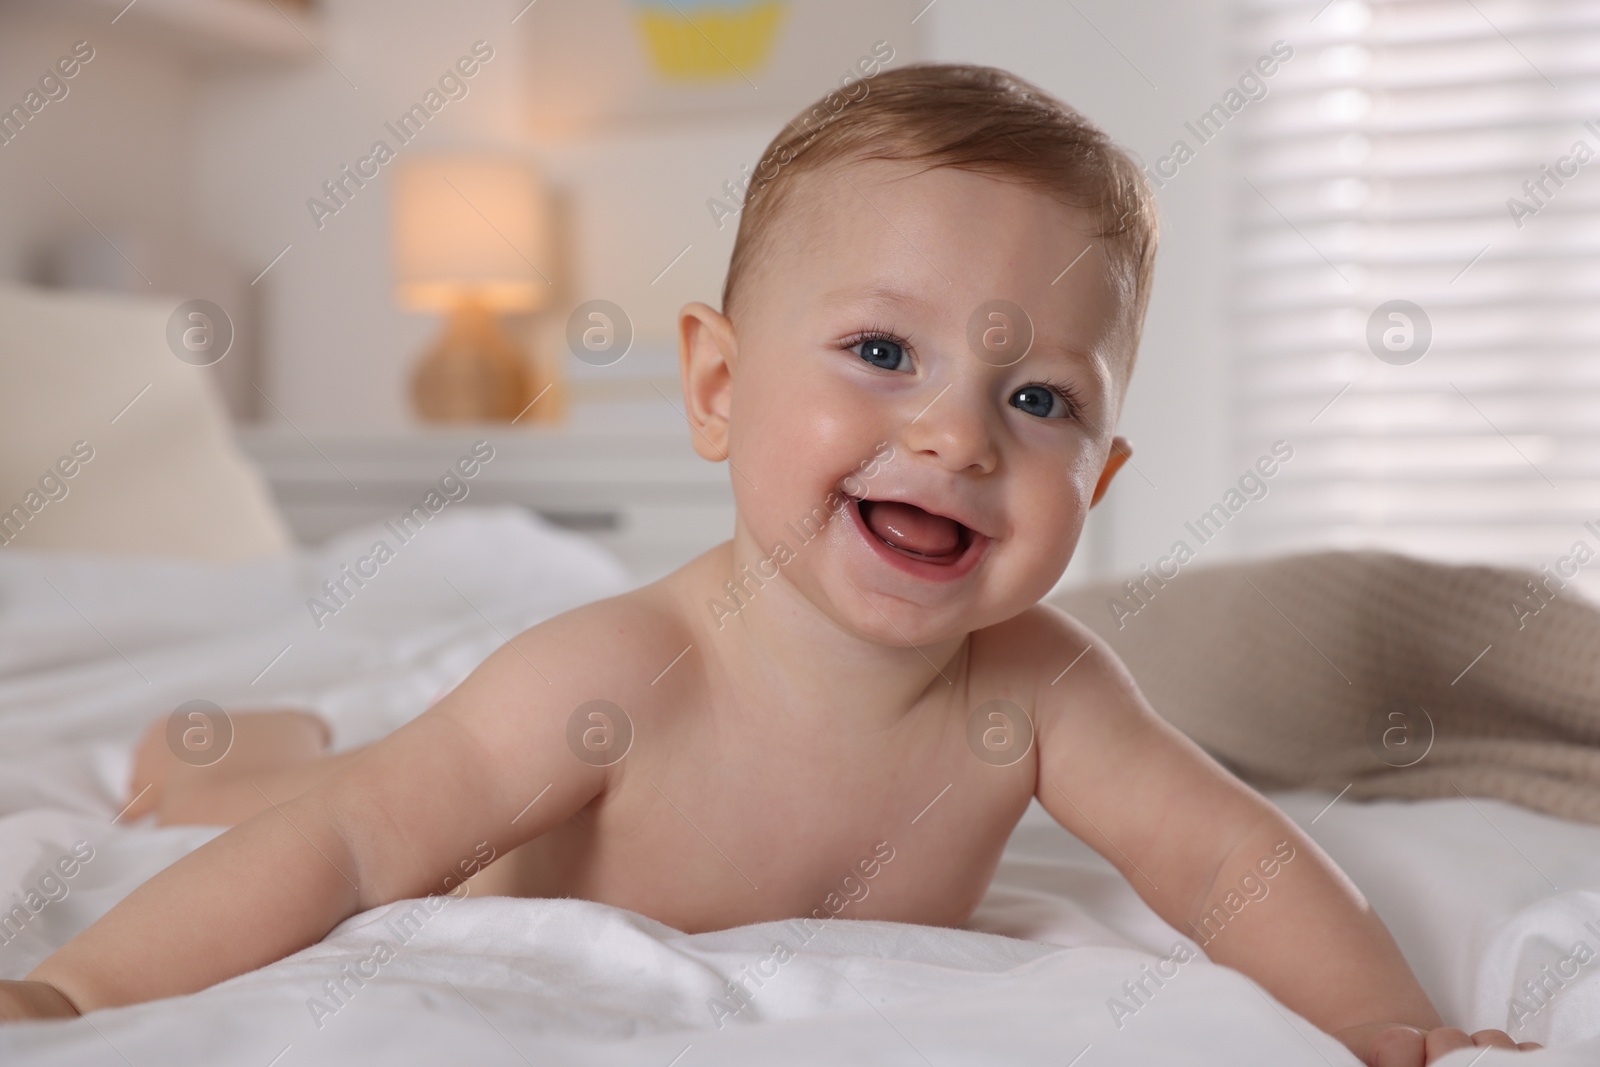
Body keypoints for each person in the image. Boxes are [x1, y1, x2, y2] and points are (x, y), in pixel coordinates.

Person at [0, 63, 1537, 1066]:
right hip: (495, 817)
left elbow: (1225, 856)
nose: (953, 437)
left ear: (1102, 478)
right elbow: (345, 856)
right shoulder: (612, 679)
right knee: (359, 793)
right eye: (880, 350)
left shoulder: (1043, 688)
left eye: (1040, 400)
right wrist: (77, 998)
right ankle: (219, 757)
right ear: (720, 391)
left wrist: (1393, 1025)